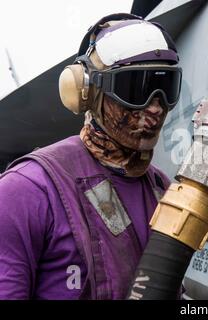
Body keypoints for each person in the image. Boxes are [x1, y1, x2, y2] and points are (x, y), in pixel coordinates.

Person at [0, 13, 182, 299]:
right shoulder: (27, 190)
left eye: (166, 88)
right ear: (88, 92)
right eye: (138, 89)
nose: (156, 108)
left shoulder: (162, 189)